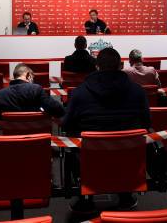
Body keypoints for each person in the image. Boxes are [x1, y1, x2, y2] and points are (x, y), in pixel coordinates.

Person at [63, 48, 150, 211]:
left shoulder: (79, 94)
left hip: (89, 159)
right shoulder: (138, 92)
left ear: (97, 66)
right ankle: (125, 195)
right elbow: (146, 123)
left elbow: (67, 125)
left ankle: (85, 197)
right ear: (120, 65)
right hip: (128, 157)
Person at [0, 63, 64, 120]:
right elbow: (57, 110)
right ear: (28, 75)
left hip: (10, 137)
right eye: (32, 78)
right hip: (35, 136)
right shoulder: (36, 89)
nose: (32, 81)